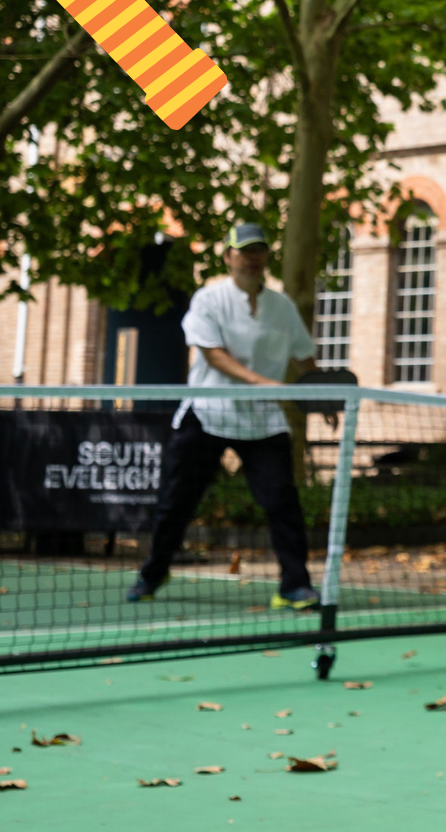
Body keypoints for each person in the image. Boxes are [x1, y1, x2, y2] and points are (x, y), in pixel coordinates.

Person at [127, 222, 323, 609]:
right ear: (228, 256)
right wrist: (262, 381)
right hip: (208, 412)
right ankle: (154, 572)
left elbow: (303, 357)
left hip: (263, 419)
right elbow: (211, 353)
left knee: (282, 500)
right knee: (176, 501)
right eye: (244, 251)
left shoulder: (282, 308)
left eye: (259, 250)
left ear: (267, 256)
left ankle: (294, 585)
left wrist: (323, 395)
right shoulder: (208, 299)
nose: (252, 258)